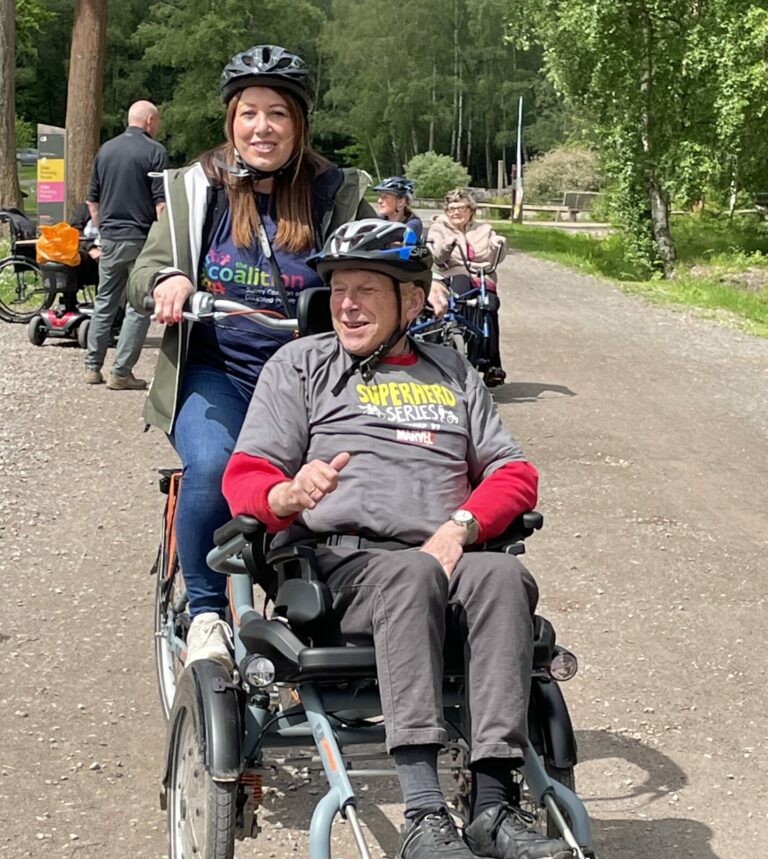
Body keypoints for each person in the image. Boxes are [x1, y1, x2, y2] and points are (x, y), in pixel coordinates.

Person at [221, 218, 572, 859]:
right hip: (340, 570)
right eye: (338, 290)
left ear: (413, 302)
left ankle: (494, 809)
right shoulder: (301, 366)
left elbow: (513, 474)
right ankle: (422, 815)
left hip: (446, 561)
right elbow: (245, 476)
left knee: (502, 576)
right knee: (411, 573)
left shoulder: (453, 373)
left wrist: (462, 526)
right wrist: (289, 493)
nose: (346, 304)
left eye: (366, 291)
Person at [127, 44, 394, 668]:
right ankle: (206, 614)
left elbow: (381, 255)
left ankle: (324, 607)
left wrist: (417, 283)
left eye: (278, 113)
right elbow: (144, 268)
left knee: (339, 484)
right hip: (217, 369)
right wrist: (167, 280)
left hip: (307, 378)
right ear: (232, 120)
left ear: (298, 123)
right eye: (249, 113)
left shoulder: (333, 192)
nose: (262, 127)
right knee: (216, 466)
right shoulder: (200, 187)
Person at [84, 100, 169, 389]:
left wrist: (103, 229)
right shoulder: (155, 152)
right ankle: (121, 372)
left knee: (105, 301)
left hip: (109, 238)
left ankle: (92, 367)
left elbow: (92, 200)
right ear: (148, 121)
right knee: (138, 306)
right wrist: (166, 238)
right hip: (141, 240)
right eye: (156, 121)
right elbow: (161, 204)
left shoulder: (105, 150)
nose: (157, 127)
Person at [426, 188, 508, 388]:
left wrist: (498, 245)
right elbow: (436, 257)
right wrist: (447, 245)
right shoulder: (438, 228)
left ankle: (491, 365)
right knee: (461, 288)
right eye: (451, 208)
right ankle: (457, 338)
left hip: (481, 275)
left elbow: (494, 258)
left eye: (460, 207)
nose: (455, 212)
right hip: (451, 273)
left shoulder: (484, 229)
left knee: (490, 305)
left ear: (471, 210)